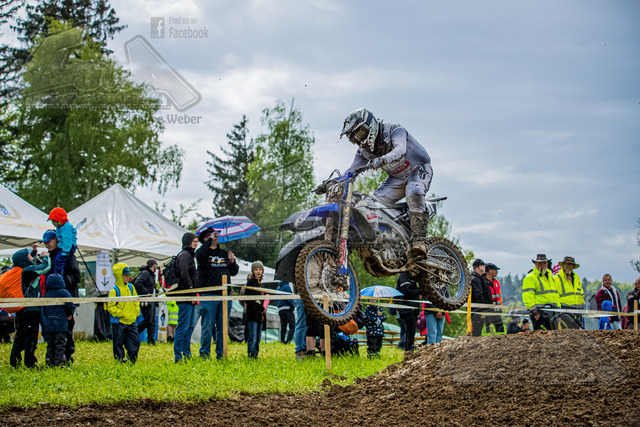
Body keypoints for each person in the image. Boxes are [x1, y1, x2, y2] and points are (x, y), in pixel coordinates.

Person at [341, 108, 433, 258]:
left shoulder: (393, 130)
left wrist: (383, 159)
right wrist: (332, 182)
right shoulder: (364, 151)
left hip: (418, 169)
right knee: (370, 204)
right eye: (354, 138)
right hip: (396, 178)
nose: (360, 140)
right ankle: (385, 240)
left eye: (361, 133)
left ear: (370, 124)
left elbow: (400, 149)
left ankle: (419, 241)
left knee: (414, 191)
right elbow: (352, 170)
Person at [195, 227, 239, 360]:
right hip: (209, 294)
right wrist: (209, 241)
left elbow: (233, 272)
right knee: (207, 326)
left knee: (223, 327)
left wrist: (232, 261)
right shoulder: (202, 253)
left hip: (225, 295)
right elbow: (199, 255)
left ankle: (221, 354)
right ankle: (204, 355)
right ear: (205, 238)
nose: (216, 236)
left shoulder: (223, 253)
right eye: (211, 234)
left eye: (216, 234)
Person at [42, 229, 81, 364]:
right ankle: (52, 358)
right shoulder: (49, 258)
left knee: (66, 329)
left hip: (66, 299)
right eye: (45, 242)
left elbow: (77, 276)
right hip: (52, 300)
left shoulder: (68, 256)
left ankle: (67, 356)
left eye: (49, 241)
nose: (47, 244)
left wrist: (60, 283)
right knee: (52, 331)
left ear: (56, 239)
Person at [9, 246, 51, 368]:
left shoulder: (23, 271)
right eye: (28, 255)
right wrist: (46, 257)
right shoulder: (28, 271)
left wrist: (33, 253)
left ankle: (15, 361)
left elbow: (31, 263)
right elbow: (45, 267)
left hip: (23, 309)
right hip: (31, 310)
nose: (31, 257)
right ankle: (30, 363)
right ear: (24, 259)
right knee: (31, 337)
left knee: (21, 335)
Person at [107, 263, 141, 364]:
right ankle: (120, 361)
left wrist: (136, 311)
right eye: (125, 275)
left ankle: (132, 360)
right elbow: (110, 307)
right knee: (118, 343)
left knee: (135, 342)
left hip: (131, 321)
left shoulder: (131, 287)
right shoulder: (114, 291)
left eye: (128, 275)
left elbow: (136, 300)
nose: (127, 277)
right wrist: (120, 313)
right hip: (119, 322)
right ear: (119, 276)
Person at [174, 232, 199, 362]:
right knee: (183, 327)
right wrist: (191, 293)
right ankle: (178, 355)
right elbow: (184, 274)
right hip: (185, 297)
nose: (196, 244)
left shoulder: (190, 256)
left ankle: (186, 353)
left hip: (190, 297)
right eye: (194, 241)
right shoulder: (184, 255)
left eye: (197, 241)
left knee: (189, 327)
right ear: (188, 242)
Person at [43, 273, 75, 367]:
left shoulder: (47, 294)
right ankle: (59, 363)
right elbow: (70, 304)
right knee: (60, 345)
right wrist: (69, 313)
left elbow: (44, 308)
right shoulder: (64, 293)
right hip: (61, 324)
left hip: (49, 324)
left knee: (50, 345)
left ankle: (49, 362)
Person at [523, 254, 559, 331]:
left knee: (554, 336)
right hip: (540, 313)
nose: (542, 265)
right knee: (541, 336)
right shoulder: (530, 277)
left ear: (547, 263)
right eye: (539, 263)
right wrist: (535, 312)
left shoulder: (551, 278)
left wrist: (558, 311)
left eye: (544, 263)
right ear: (535, 264)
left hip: (552, 312)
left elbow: (556, 295)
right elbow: (527, 297)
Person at [242, 261, 266, 359]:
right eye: (256, 270)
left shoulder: (261, 284)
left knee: (258, 337)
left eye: (260, 269)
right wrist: (260, 307)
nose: (258, 271)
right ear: (253, 271)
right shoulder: (250, 282)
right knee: (253, 336)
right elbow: (248, 299)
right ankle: (251, 355)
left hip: (260, 314)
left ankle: (256, 354)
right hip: (252, 314)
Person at [554, 256, 585, 329]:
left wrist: (582, 309)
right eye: (566, 264)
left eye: (570, 265)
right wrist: (558, 313)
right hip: (564, 312)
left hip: (577, 313)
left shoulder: (577, 279)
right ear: (563, 265)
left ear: (573, 267)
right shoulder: (556, 279)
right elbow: (554, 297)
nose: (568, 266)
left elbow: (581, 295)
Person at [134, 259, 159, 345]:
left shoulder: (151, 275)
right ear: (153, 265)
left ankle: (151, 341)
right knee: (148, 320)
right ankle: (133, 334)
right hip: (146, 301)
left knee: (152, 322)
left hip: (152, 300)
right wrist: (146, 293)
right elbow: (137, 283)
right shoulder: (145, 273)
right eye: (156, 265)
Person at [46, 207, 77, 276]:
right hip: (64, 246)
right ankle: (57, 275)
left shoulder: (66, 227)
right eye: (52, 221)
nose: (53, 223)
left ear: (60, 220)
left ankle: (57, 276)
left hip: (68, 247)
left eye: (54, 221)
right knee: (57, 259)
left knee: (59, 260)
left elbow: (67, 240)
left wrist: (65, 251)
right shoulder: (61, 227)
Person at [396, 272, 421, 355]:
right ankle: (409, 351)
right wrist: (419, 291)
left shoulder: (411, 277)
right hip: (407, 308)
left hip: (412, 307)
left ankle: (409, 350)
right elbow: (406, 291)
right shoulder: (404, 276)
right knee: (410, 330)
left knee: (411, 330)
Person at [470, 259, 491, 336]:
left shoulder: (478, 278)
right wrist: (482, 310)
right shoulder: (475, 279)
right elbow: (479, 295)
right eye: (483, 265)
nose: (484, 267)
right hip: (477, 311)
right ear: (479, 266)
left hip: (477, 310)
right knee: (477, 332)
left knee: (478, 331)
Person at [484, 263, 504, 334]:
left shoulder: (496, 282)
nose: (497, 272)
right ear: (490, 271)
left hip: (497, 311)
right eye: (495, 270)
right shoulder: (483, 282)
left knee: (501, 331)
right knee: (486, 332)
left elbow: (498, 297)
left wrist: (500, 308)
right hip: (487, 311)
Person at [293, 295, 308, 360]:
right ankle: (299, 350)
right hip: (301, 297)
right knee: (301, 323)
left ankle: (304, 349)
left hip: (310, 298)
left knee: (306, 325)